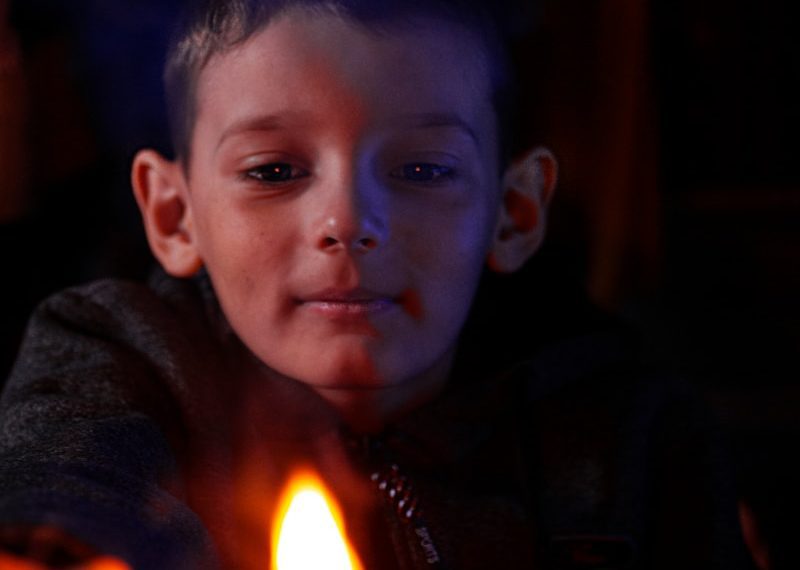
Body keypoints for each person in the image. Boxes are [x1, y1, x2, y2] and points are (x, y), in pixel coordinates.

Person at [0, 0, 754, 568]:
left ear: (514, 212)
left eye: (422, 169)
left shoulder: (631, 423)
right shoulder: (117, 356)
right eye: (274, 172)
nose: (349, 221)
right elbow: (64, 490)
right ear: (174, 213)